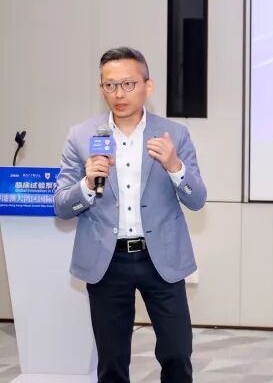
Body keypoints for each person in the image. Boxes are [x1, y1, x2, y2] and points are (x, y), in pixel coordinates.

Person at [54, 47, 207, 383]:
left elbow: (197, 199)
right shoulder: (81, 136)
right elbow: (61, 205)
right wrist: (86, 183)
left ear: (147, 86)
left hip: (161, 258)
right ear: (101, 89)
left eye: (128, 84)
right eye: (110, 85)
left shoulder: (173, 135)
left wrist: (174, 166)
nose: (119, 94)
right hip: (107, 261)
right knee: (111, 362)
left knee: (177, 354)